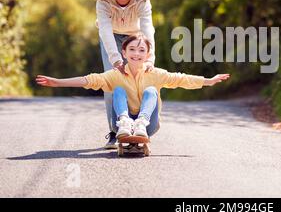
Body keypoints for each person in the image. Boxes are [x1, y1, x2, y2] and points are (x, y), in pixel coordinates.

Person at [35, 33, 230, 143]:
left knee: (151, 90)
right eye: (132, 50)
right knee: (117, 89)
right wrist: (58, 82)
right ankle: (125, 122)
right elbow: (89, 80)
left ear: (147, 54)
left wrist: (209, 80)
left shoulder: (155, 73)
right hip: (122, 124)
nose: (137, 53)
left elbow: (181, 79)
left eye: (141, 50)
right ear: (124, 52)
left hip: (149, 125)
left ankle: (141, 123)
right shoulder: (116, 73)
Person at [94, 0, 157, 148]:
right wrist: (116, 60)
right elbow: (104, 30)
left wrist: (149, 59)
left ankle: (140, 126)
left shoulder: (142, 0)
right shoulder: (103, 2)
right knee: (112, 83)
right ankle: (115, 131)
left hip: (134, 37)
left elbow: (148, 29)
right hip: (111, 37)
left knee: (140, 81)